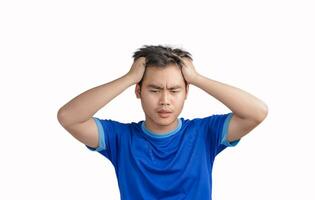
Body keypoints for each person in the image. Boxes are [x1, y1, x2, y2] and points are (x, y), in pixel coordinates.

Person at [57, 45, 268, 200]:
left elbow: (257, 112)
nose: (165, 100)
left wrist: (197, 78)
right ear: (138, 91)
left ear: (186, 92)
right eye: (154, 90)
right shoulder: (120, 138)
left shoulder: (204, 133)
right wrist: (129, 77)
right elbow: (69, 117)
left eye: (175, 90)